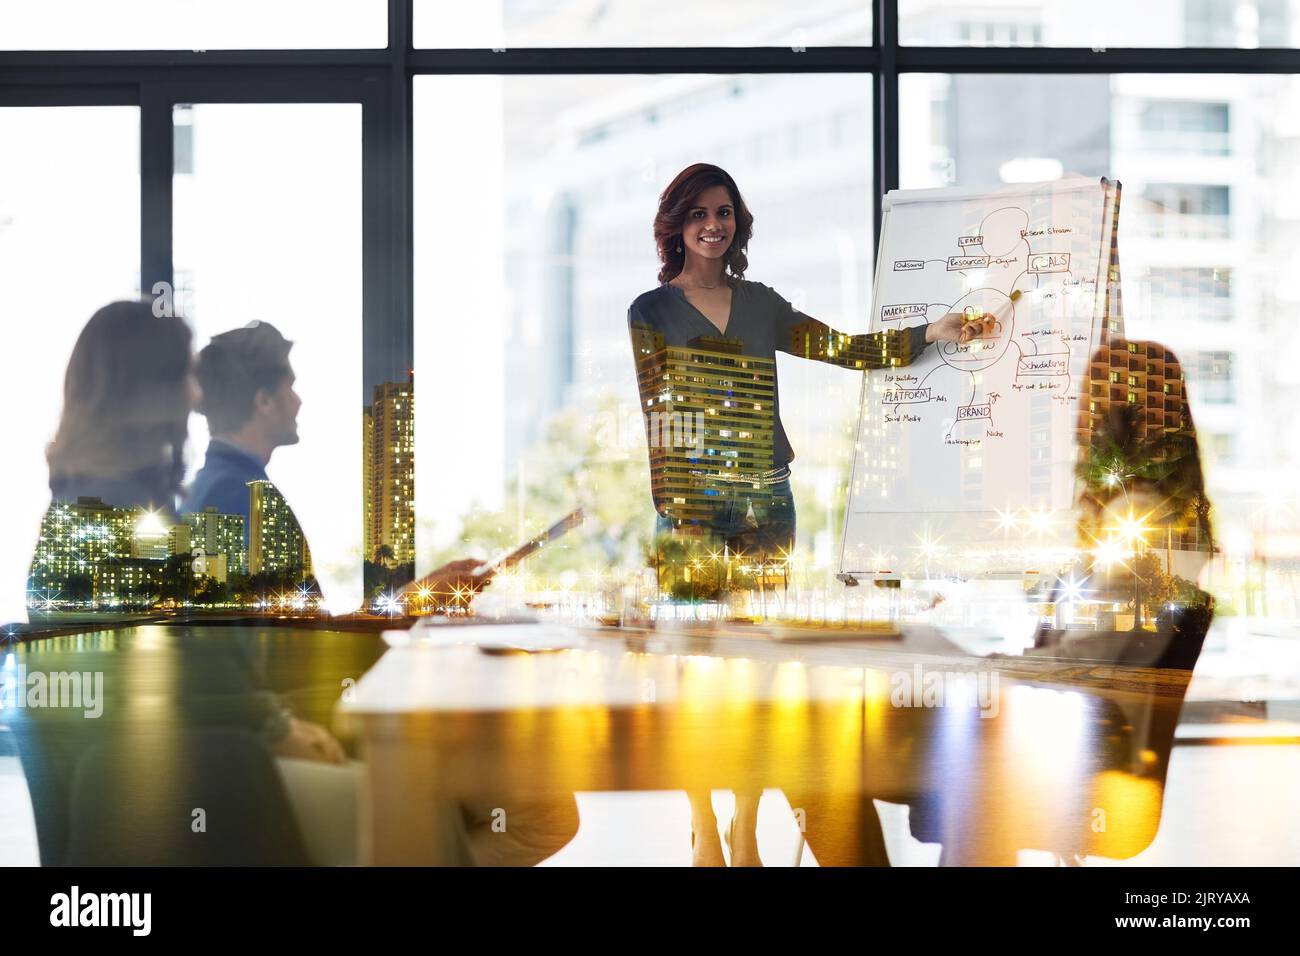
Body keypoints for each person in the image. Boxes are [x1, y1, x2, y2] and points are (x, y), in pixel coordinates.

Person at [627, 163, 991, 866]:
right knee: (699, 676)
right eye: (700, 213)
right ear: (678, 224)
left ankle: (744, 822)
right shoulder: (651, 309)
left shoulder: (760, 302)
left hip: (768, 502)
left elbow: (848, 350)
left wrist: (937, 329)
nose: (714, 224)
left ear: (737, 222)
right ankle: (703, 820)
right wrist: (678, 513)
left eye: (725, 212)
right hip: (693, 513)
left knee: (761, 675)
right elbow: (659, 413)